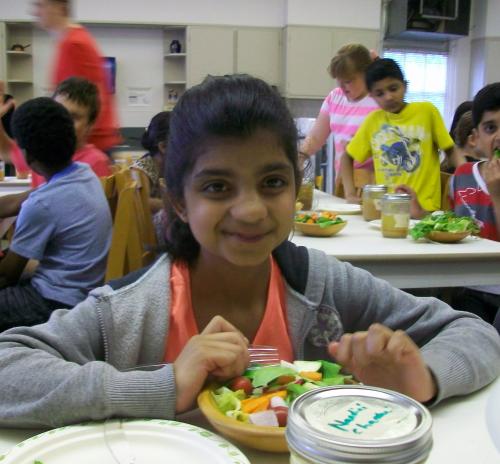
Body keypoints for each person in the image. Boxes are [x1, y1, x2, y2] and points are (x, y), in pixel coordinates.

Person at [0, 75, 498, 429]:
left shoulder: (320, 284)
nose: (252, 210)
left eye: (272, 182)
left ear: (297, 188)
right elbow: (9, 366)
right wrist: (164, 386)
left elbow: (473, 331)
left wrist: (424, 378)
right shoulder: (129, 309)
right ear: (178, 200)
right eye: (217, 187)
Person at [0, 97, 112, 332]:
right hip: (84, 292)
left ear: (28, 156)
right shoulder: (82, 174)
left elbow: (8, 275)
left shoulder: (43, 203)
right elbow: (20, 201)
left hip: (54, 303)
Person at [340, 58, 464, 208]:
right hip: (387, 210)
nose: (389, 97)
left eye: (393, 89)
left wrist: (469, 179)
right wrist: (350, 193)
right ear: (371, 96)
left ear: (405, 86)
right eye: (380, 93)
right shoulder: (373, 121)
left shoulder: (426, 112)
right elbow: (347, 156)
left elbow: (450, 150)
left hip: (424, 210)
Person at [0, 77, 113, 218]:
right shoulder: (40, 149)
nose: (61, 121)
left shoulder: (95, 162)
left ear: (90, 125)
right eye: (57, 112)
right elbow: (5, 152)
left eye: (73, 117)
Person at [32, 0, 120, 151]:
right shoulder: (70, 41)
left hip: (88, 146)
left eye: (41, 5)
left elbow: (95, 98)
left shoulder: (74, 43)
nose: (36, 12)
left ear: (59, 7)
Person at [448, 82, 500, 324]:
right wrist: (420, 213)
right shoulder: (462, 175)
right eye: (491, 128)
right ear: (476, 137)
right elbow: (450, 227)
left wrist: (496, 193)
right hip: (469, 287)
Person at [299, 44, 378, 187]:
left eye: (348, 81)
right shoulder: (334, 98)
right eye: (339, 80)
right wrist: (300, 157)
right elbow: (316, 138)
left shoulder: (379, 101)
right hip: (343, 183)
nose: (342, 86)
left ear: (366, 73)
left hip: (373, 184)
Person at [131, 111, 170, 214]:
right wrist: (172, 206)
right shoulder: (140, 169)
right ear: (163, 147)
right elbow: (140, 202)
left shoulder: (166, 167)